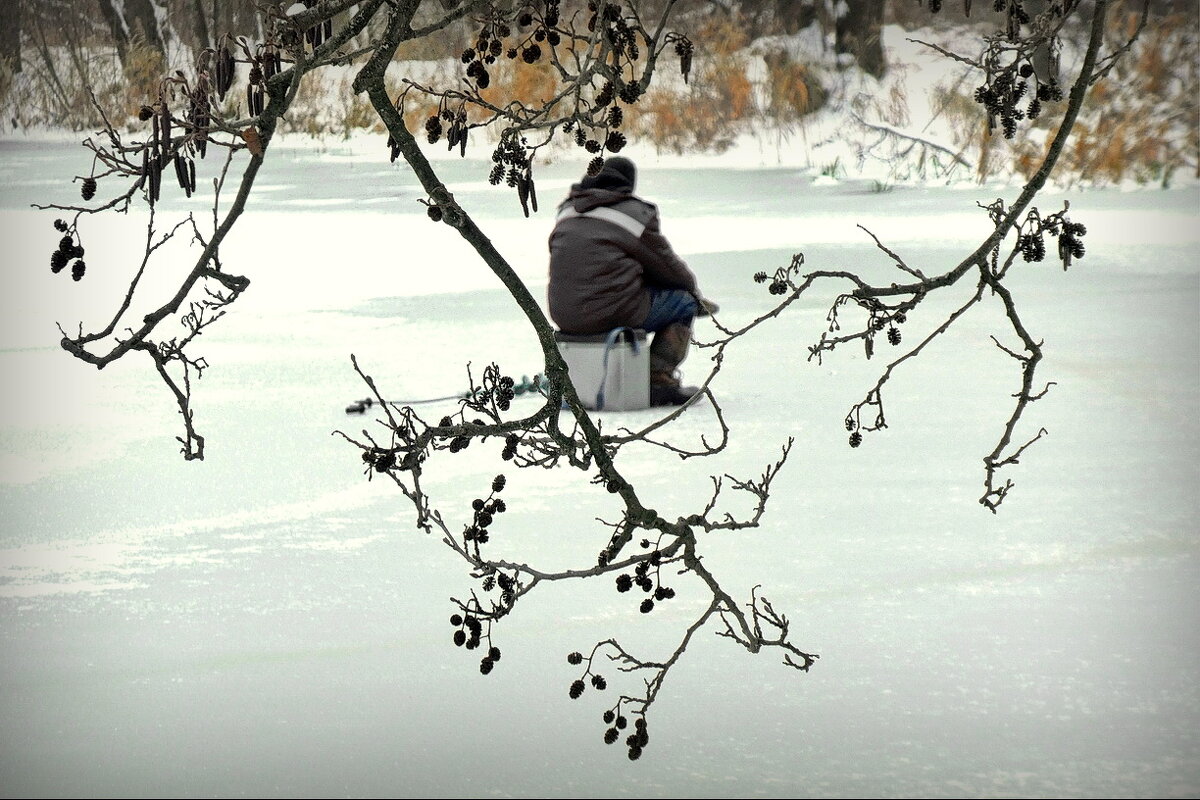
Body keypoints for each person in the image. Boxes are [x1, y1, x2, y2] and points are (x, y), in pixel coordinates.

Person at [547, 156, 711, 406]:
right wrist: (694, 292)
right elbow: (667, 267)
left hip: (564, 314)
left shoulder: (565, 211)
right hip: (613, 312)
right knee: (683, 303)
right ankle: (657, 380)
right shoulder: (633, 214)